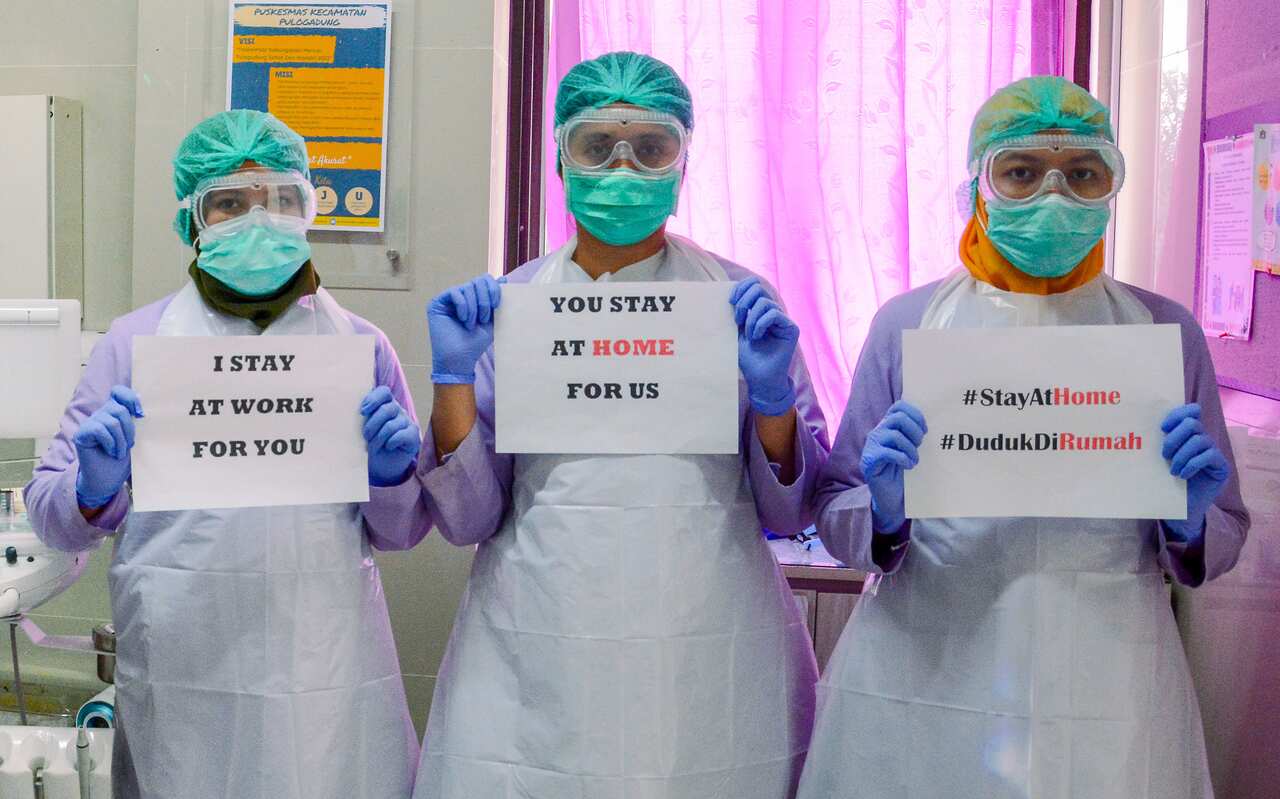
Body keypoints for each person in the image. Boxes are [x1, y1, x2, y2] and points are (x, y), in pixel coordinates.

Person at [795, 76, 1250, 799]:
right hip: (929, 663)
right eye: (1021, 171)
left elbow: (1222, 532)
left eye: (1083, 173)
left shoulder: (1165, 332)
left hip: (1107, 673)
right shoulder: (908, 326)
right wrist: (881, 512)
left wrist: (1192, 525)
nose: (1053, 196)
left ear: (1111, 186)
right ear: (978, 186)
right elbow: (834, 507)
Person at [412, 52, 828, 798]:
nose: (624, 167)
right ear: (560, 160)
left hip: (703, 627)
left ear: (683, 163)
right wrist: (453, 380)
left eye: (651, 147)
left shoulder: (740, 301)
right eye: (597, 145)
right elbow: (468, 516)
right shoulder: (513, 307)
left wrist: (772, 399)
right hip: (541, 628)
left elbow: (790, 510)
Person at [23, 110, 429, 799]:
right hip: (185, 651)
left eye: (280, 199)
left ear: (308, 207)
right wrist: (90, 488)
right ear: (192, 219)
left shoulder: (360, 346)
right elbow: (54, 520)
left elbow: (401, 530)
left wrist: (391, 479)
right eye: (230, 204)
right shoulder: (134, 343)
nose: (258, 220)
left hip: (321, 655)